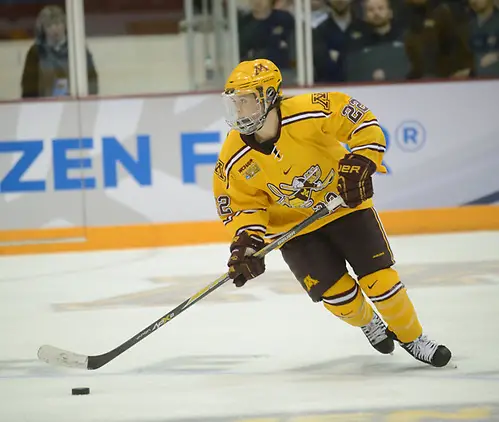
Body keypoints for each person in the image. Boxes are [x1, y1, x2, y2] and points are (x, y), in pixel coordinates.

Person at [212, 58, 452, 368]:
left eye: (245, 102)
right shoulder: (233, 156)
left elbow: (360, 121)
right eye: (235, 104)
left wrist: (364, 159)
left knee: (381, 282)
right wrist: (247, 244)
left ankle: (413, 336)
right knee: (339, 297)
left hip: (344, 206)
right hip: (295, 230)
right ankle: (367, 322)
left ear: (270, 96)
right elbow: (243, 204)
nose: (238, 111)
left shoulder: (309, 110)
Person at [21, 5, 98, 98]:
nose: (55, 29)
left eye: (58, 24)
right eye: (49, 25)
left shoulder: (77, 48)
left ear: (65, 25)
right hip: (43, 107)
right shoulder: (35, 52)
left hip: (74, 105)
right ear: (42, 29)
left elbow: (92, 80)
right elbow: (28, 87)